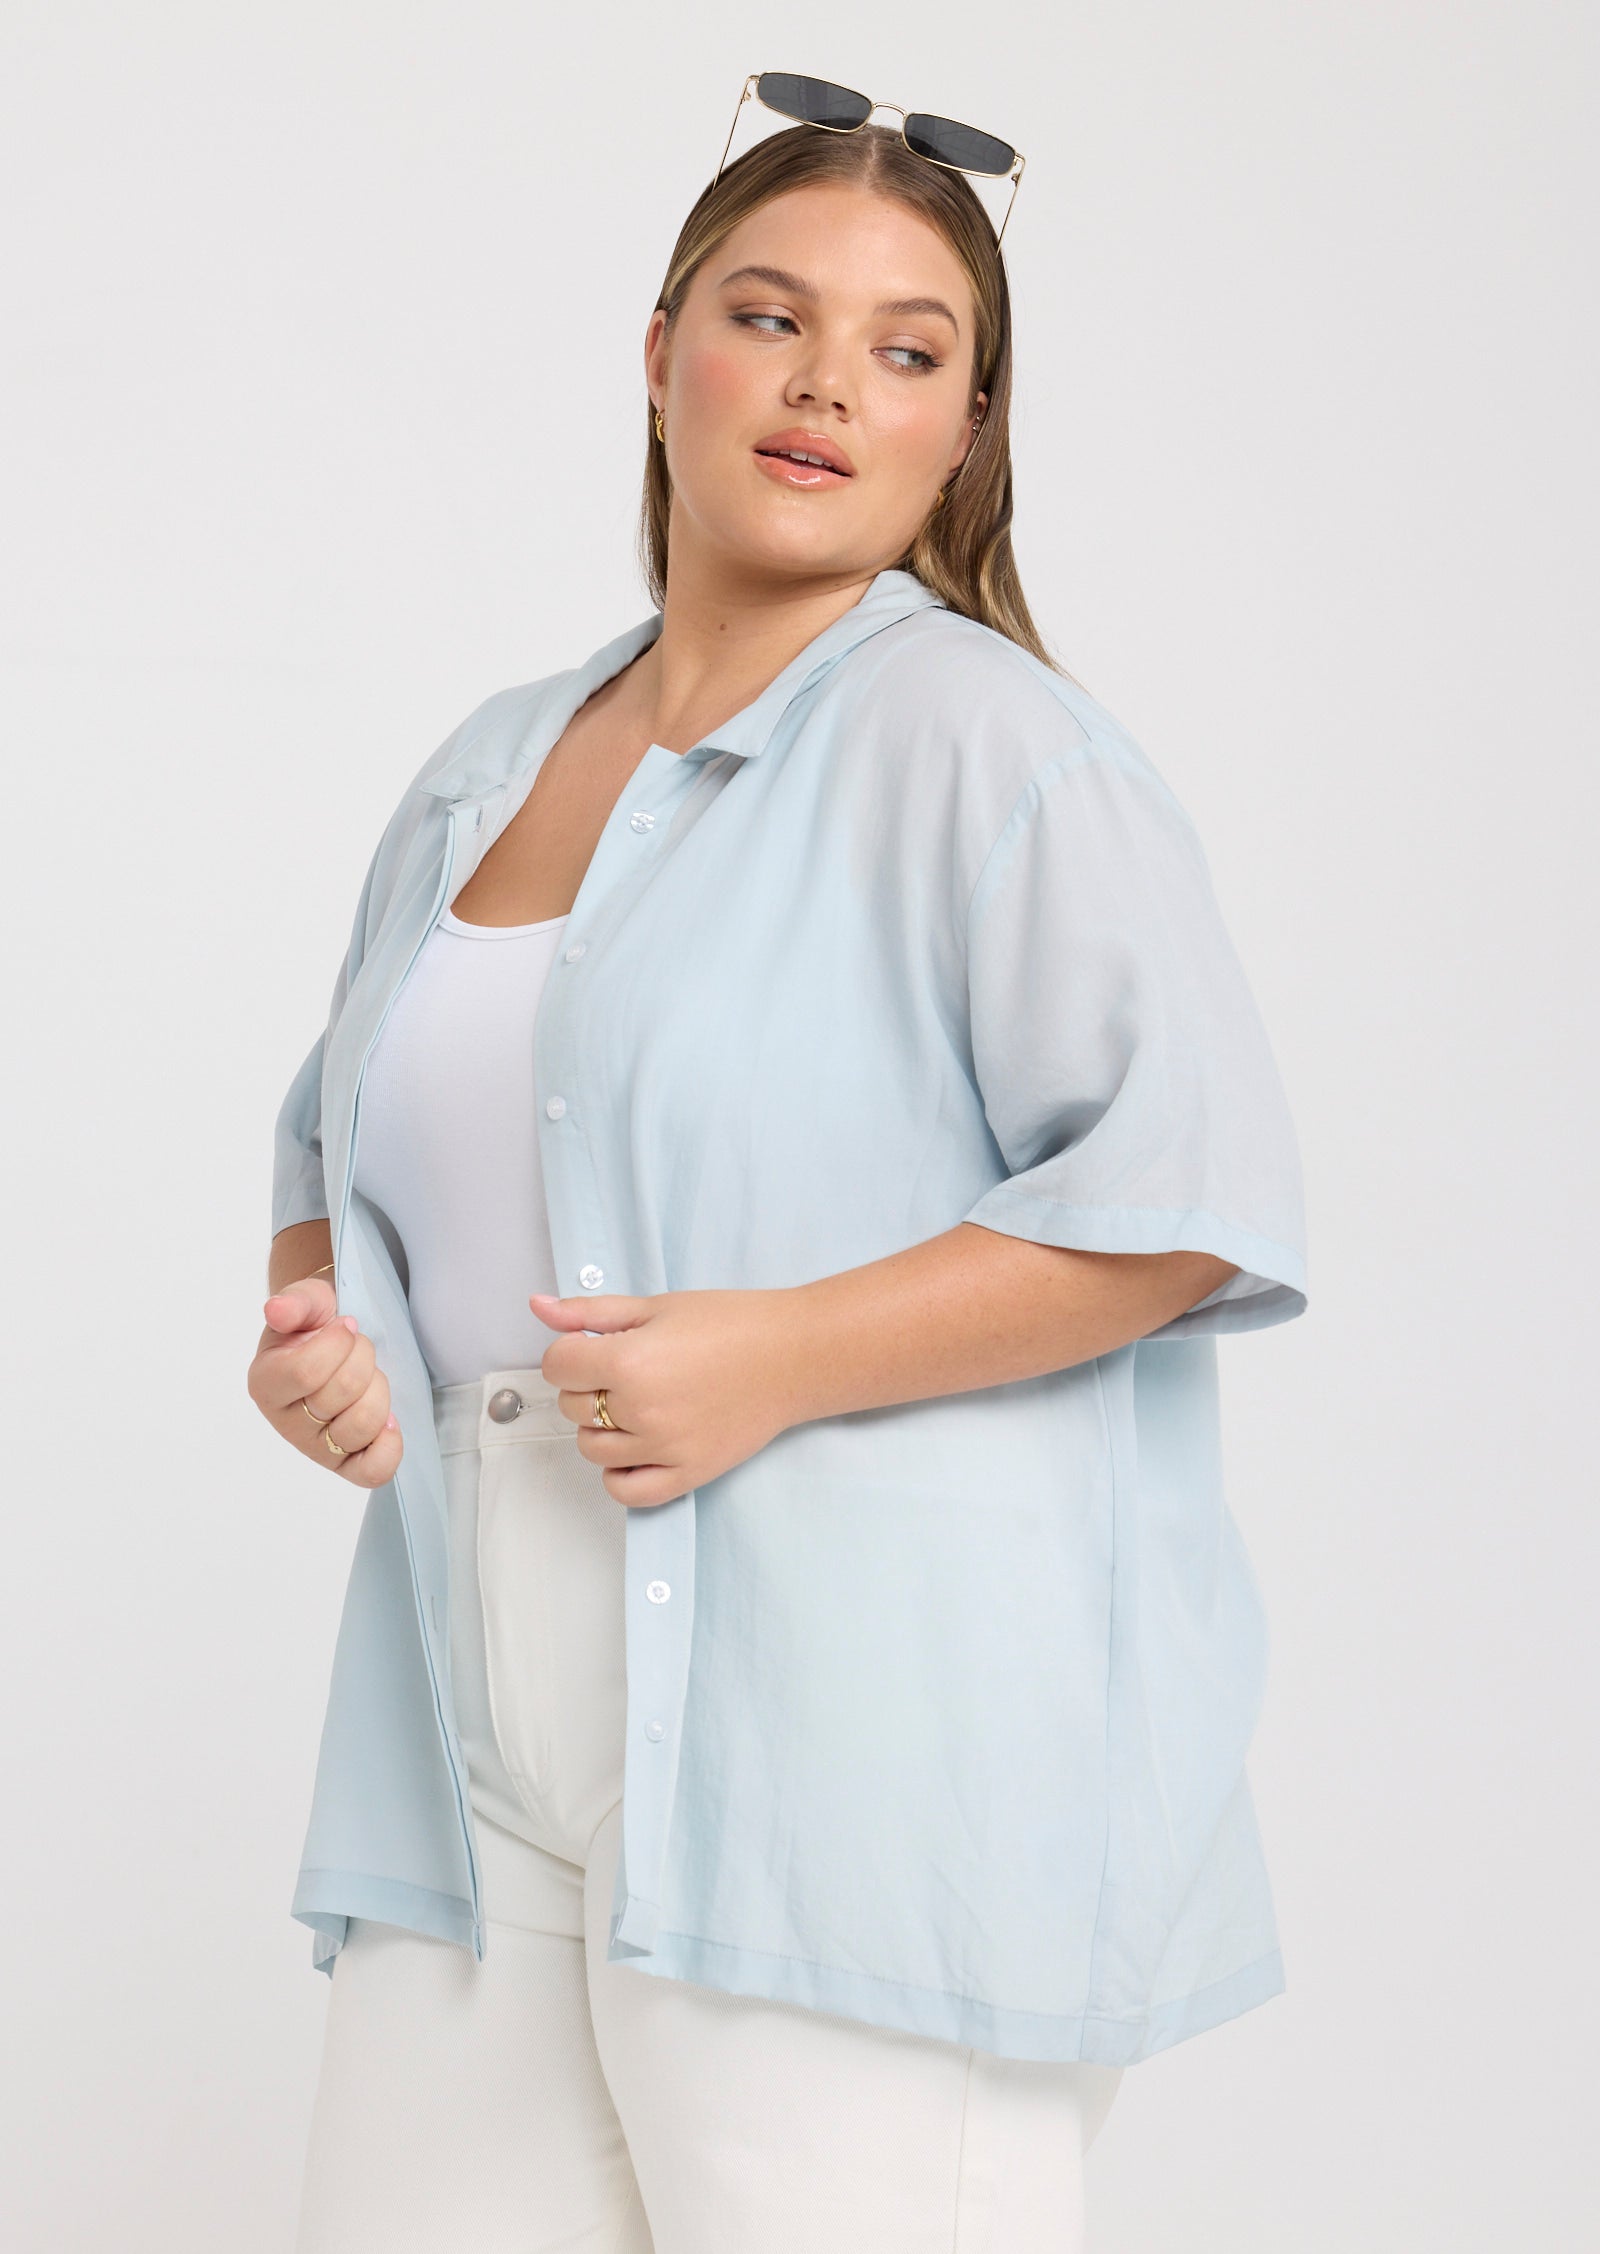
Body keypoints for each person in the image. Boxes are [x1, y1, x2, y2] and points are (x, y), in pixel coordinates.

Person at [249, 80, 1308, 2254]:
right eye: (769, 315)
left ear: (965, 434)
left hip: (858, 1720)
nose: (828, 383)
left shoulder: (991, 747)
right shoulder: (487, 765)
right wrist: (318, 1335)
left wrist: (780, 1355)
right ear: (662, 357)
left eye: (908, 350)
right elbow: (337, 1141)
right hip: (469, 1702)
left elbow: (1187, 1193)